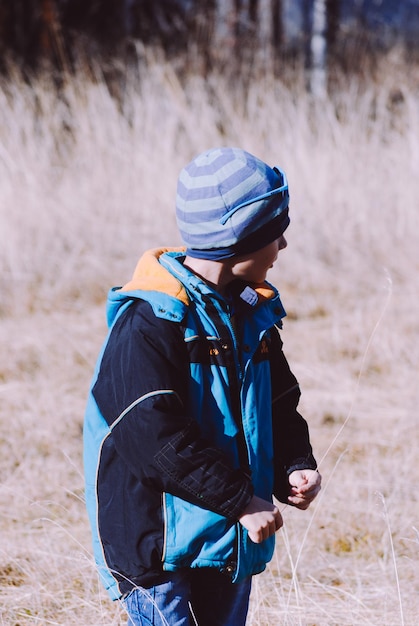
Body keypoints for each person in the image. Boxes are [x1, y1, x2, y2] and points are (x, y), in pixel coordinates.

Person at [83, 147, 321, 626]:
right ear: (243, 238)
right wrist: (240, 501)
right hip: (158, 549)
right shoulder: (149, 323)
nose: (284, 247)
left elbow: (278, 403)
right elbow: (153, 439)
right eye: (278, 233)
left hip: (228, 537)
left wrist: (293, 465)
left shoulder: (251, 315)